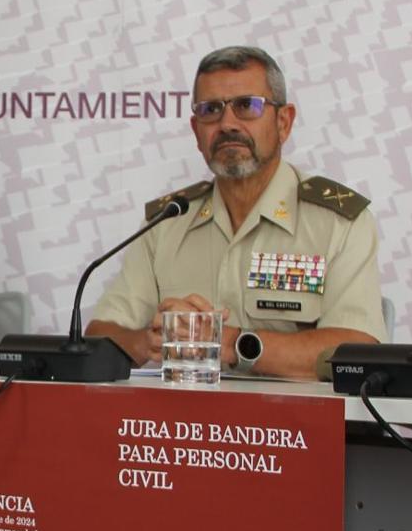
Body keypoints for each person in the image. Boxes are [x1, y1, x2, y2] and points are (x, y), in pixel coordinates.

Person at [87, 46, 384, 379]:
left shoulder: (337, 222)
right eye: (210, 110)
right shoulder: (167, 221)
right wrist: (149, 342)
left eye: (246, 106)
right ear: (196, 130)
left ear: (283, 122)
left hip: (294, 427)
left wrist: (230, 344)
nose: (227, 123)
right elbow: (100, 334)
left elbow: (356, 348)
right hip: (184, 425)